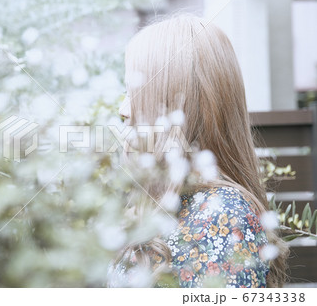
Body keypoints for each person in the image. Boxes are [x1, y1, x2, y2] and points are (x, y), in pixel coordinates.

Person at [107, 14, 289, 288]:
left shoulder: (223, 215)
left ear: (180, 105)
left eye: (136, 92)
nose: (124, 110)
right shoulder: (166, 199)